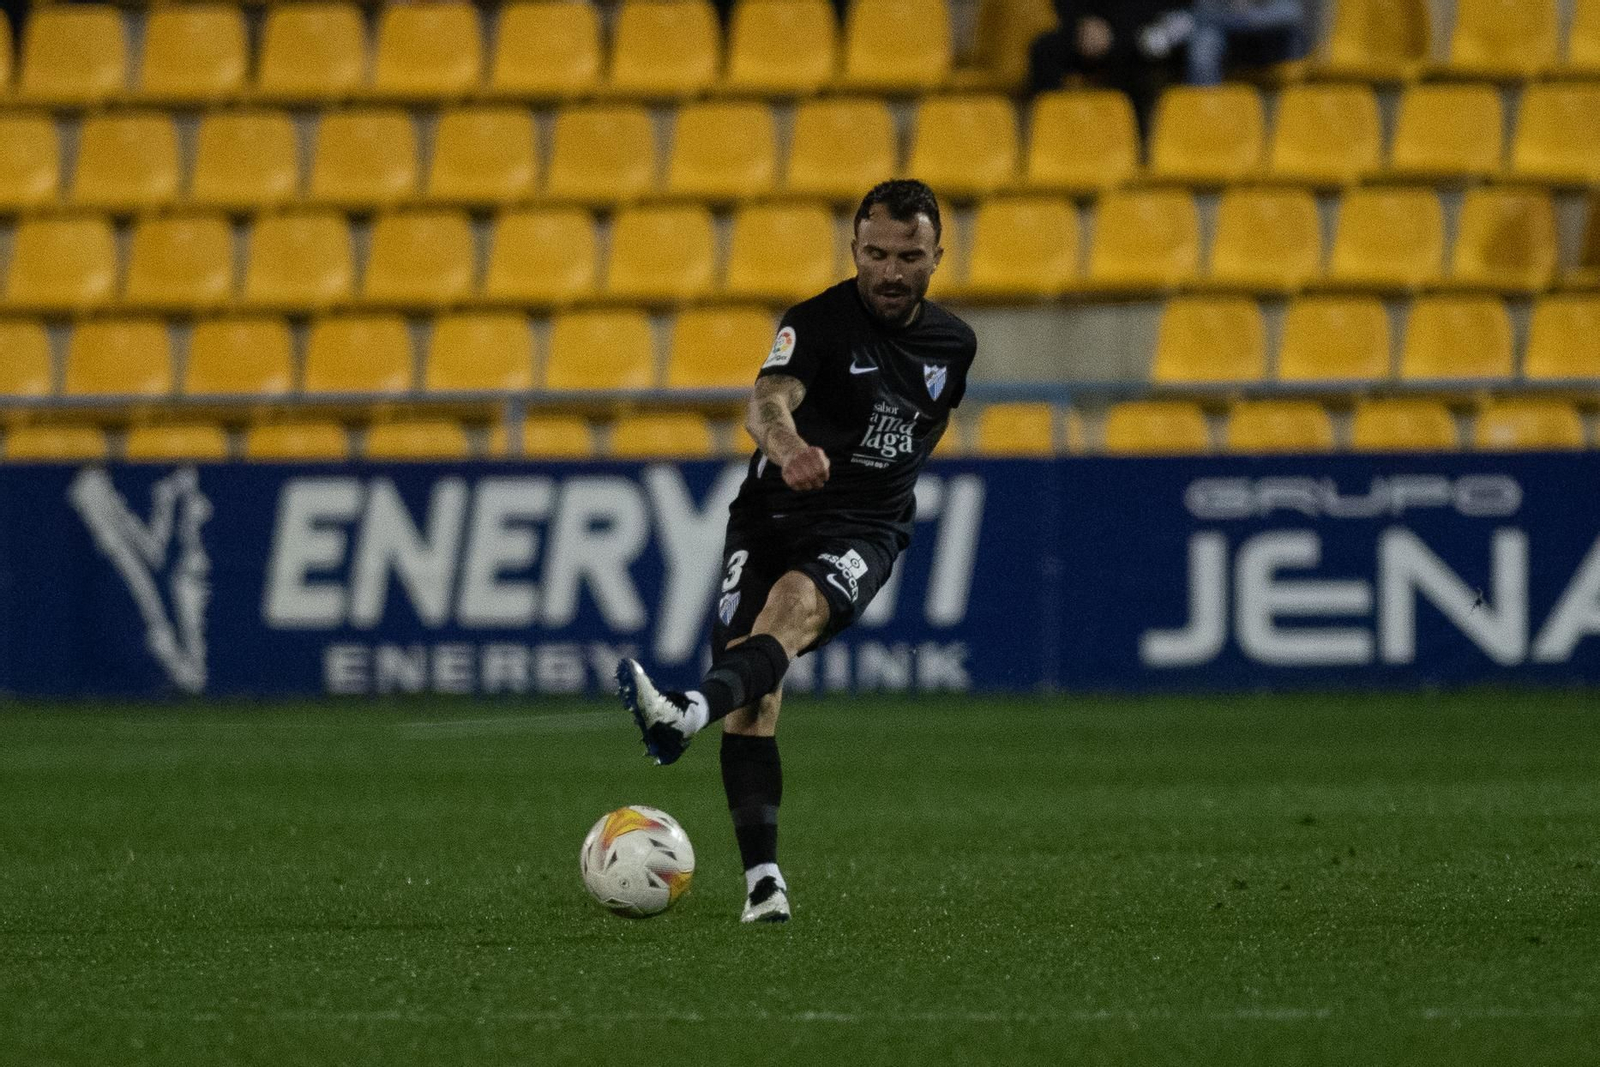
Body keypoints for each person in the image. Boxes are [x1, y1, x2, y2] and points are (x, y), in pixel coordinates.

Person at [616, 180, 977, 925]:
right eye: (875, 252)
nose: (890, 270)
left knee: (790, 610)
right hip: (771, 513)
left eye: (909, 255)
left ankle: (683, 712)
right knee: (753, 697)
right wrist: (789, 449)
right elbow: (767, 402)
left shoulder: (954, 346)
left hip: (864, 530)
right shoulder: (816, 322)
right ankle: (764, 886)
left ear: (937, 256)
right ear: (855, 249)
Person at [1027, 0, 1191, 133]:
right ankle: (1051, 133)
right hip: (1091, 26)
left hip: (1146, 31)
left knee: (1137, 53)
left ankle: (1131, 141)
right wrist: (1083, 22)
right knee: (1044, 50)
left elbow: (1175, 9)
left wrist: (1118, 33)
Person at [1183, 0, 1310, 86]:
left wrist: (1246, 18)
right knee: (1205, 40)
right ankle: (1207, 109)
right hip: (1230, 47)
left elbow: (1290, 13)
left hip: (1276, 46)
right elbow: (1203, 15)